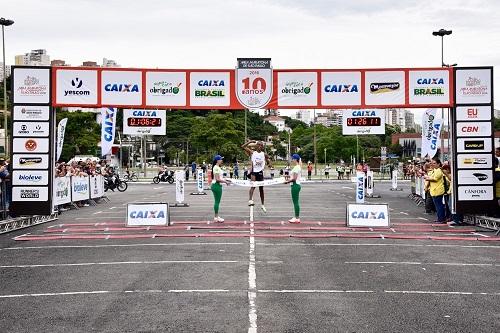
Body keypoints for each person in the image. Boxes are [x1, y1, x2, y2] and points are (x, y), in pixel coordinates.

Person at [241, 140, 273, 212]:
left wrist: (269, 164)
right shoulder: (252, 153)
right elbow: (243, 146)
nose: (260, 146)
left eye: (261, 145)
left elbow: (268, 160)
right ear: (256, 146)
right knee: (253, 185)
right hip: (254, 172)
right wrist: (250, 142)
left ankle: (262, 205)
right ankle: (250, 200)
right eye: (258, 145)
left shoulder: (264, 154)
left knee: (261, 189)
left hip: (260, 172)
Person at [424, 158, 446, 223]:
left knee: (439, 206)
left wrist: (427, 178)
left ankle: (441, 219)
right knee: (437, 206)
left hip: (438, 190)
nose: (433, 165)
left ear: (438, 164)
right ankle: (440, 218)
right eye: (432, 163)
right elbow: (431, 177)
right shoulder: (435, 170)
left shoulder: (438, 170)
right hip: (434, 190)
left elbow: (435, 179)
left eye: (434, 163)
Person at [210, 155, 231, 223]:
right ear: (217, 160)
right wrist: (226, 182)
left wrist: (226, 180)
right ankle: (216, 217)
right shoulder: (216, 168)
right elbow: (217, 179)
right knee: (217, 202)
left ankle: (216, 216)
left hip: (217, 185)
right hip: (216, 185)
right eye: (221, 159)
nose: (222, 160)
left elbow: (220, 177)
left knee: (217, 201)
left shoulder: (217, 167)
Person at [285, 154, 302, 223]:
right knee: (296, 202)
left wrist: (287, 182)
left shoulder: (296, 167)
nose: (292, 160)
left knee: (295, 202)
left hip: (295, 185)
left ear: (295, 159)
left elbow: (294, 178)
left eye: (293, 159)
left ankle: (297, 218)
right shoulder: (297, 167)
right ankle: (296, 217)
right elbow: (293, 176)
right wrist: (287, 176)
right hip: (296, 185)